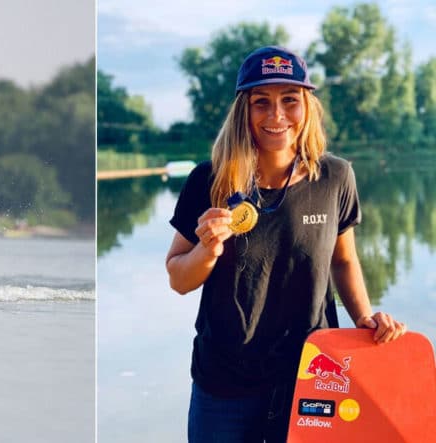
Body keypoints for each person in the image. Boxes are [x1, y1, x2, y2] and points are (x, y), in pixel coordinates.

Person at [164, 46, 408, 442]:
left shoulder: (336, 177)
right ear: (244, 111)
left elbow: (342, 261)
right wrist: (206, 250)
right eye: (261, 102)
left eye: (289, 101)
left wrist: (363, 316)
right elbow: (178, 278)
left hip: (312, 376)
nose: (276, 116)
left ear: (307, 107)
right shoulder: (210, 180)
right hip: (224, 382)